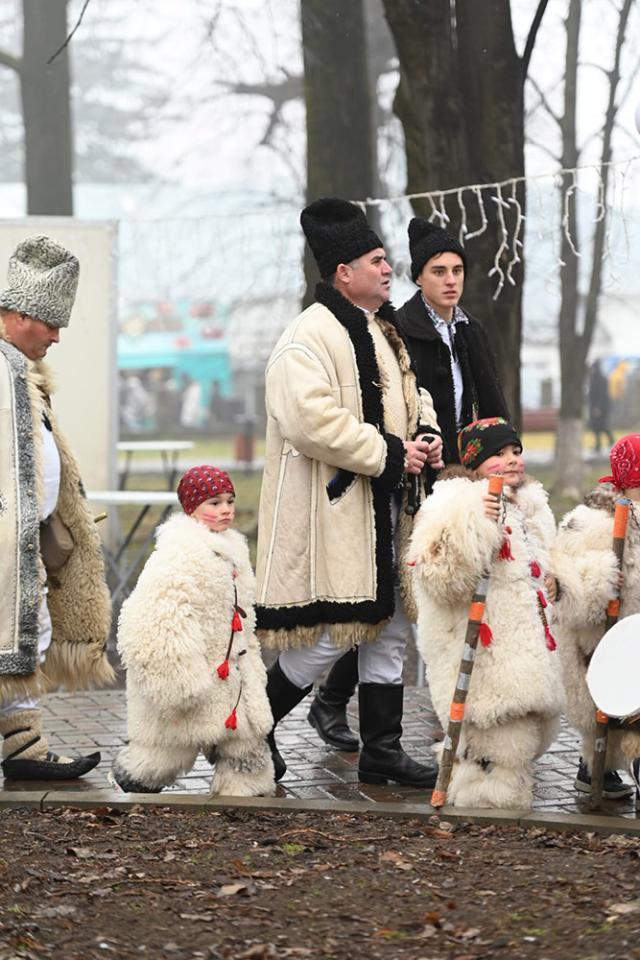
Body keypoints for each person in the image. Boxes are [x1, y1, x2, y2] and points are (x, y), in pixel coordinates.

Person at [255, 197, 444, 788]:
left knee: (387, 626)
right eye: (378, 260)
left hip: (382, 506)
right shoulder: (307, 336)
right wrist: (390, 453)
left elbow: (413, 398)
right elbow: (308, 419)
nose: (390, 270)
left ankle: (381, 750)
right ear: (344, 272)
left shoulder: (381, 330)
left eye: (388, 260)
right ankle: (251, 729)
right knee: (336, 632)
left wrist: (427, 435)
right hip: (333, 511)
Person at [307, 218, 510, 753]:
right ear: (419, 278)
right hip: (416, 470)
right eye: (438, 271)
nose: (450, 280)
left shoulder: (467, 328)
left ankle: (377, 721)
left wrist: (503, 453)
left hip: (459, 468)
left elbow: (487, 398)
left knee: (408, 600)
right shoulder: (401, 326)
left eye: (458, 270)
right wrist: (415, 448)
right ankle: (332, 700)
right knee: (397, 595)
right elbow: (401, 398)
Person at [0, 235, 114, 780]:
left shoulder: (24, 372)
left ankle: (24, 748)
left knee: (27, 637)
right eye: (50, 323)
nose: (57, 336)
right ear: (20, 314)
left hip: (23, 540)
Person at [408, 418, 564, 808]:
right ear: (476, 462)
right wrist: (478, 525)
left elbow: (545, 560)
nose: (512, 461)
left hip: (527, 641)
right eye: (499, 454)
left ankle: (495, 797)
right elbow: (435, 574)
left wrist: (557, 583)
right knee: (495, 731)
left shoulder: (531, 506)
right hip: (484, 648)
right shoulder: (452, 502)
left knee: (526, 729)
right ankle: (487, 806)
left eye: (516, 451)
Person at [111, 465, 275, 796]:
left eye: (229, 500)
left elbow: (243, 618)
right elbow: (156, 618)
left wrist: (250, 661)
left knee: (246, 750)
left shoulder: (233, 551)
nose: (225, 509)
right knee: (163, 753)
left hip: (232, 678)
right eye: (214, 503)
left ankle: (243, 795)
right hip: (195, 676)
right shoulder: (179, 555)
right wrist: (182, 680)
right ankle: (132, 779)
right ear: (192, 507)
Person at [552, 434, 640, 800]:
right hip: (607, 642)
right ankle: (593, 768)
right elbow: (569, 587)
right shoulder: (592, 524)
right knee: (620, 710)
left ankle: (595, 769)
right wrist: (602, 578)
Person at [587, 359, 614, 454]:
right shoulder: (592, 379)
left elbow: (602, 395)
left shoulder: (601, 380)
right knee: (596, 427)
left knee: (603, 426)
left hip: (601, 408)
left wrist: (598, 407)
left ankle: (612, 442)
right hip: (594, 407)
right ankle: (598, 445)